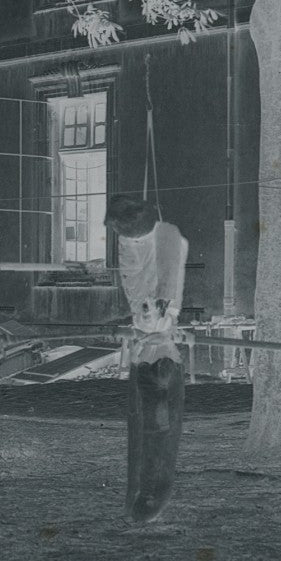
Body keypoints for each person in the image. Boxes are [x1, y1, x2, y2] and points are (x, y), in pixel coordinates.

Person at [106, 194, 189, 524]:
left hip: (159, 350)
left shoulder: (166, 236)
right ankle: (141, 489)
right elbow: (135, 287)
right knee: (142, 426)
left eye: (128, 232)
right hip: (145, 349)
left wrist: (161, 314)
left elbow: (165, 286)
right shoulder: (129, 246)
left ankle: (155, 489)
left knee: (158, 425)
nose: (123, 239)